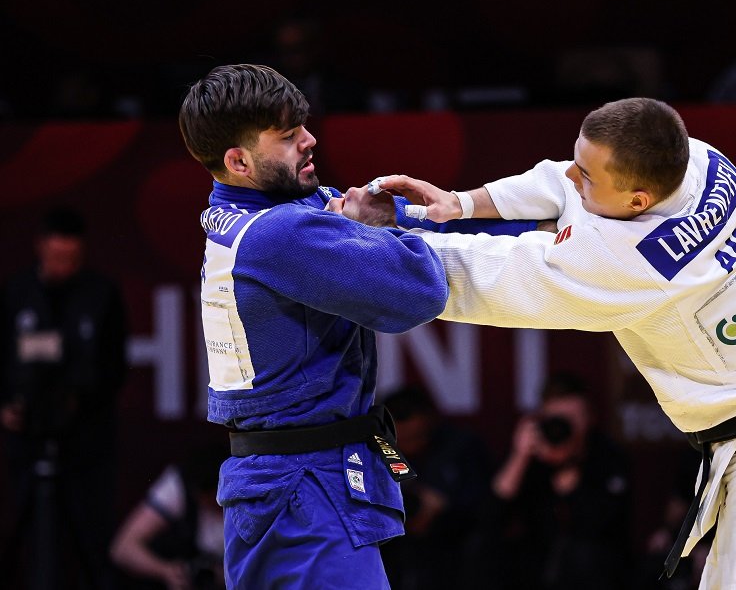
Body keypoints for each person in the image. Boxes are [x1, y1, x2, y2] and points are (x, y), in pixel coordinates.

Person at [374, 97, 736, 588]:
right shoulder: (702, 162)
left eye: (587, 175)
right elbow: (563, 180)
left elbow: (490, 278)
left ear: (637, 201)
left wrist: (370, 240)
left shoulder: (635, 262)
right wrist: (459, 203)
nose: (573, 177)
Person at [178, 63, 536, 590]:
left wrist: (541, 224)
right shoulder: (280, 234)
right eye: (287, 135)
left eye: (303, 124)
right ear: (238, 160)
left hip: (297, 480)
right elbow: (417, 291)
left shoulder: (268, 209)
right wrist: (371, 228)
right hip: (300, 490)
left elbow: (390, 222)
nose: (309, 140)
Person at [1, 206, 129, 589]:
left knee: (92, 539)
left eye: (72, 258)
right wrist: (7, 404)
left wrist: (78, 401)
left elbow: (114, 368)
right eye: (57, 257)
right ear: (41, 248)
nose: (64, 266)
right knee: (26, 537)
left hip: (85, 444)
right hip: (26, 441)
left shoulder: (101, 295)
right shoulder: (15, 295)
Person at [471, 370, 632, 590]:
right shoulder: (532, 456)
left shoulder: (608, 456)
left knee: (586, 554)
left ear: (590, 418)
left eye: (573, 418)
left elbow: (606, 525)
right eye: (558, 419)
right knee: (482, 549)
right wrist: (519, 456)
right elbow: (490, 516)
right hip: (534, 566)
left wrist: (567, 470)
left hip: (594, 571)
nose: (565, 427)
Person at [379, 384, 494, 590]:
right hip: (391, 563)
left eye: (415, 438)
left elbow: (487, 508)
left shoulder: (461, 449)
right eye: (398, 439)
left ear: (430, 419)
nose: (407, 444)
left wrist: (443, 506)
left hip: (452, 558)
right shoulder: (374, 453)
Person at [110, 442, 229, 590]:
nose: (212, 505)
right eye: (206, 501)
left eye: (217, 500)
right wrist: (167, 571)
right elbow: (122, 549)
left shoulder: (255, 491)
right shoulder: (180, 485)